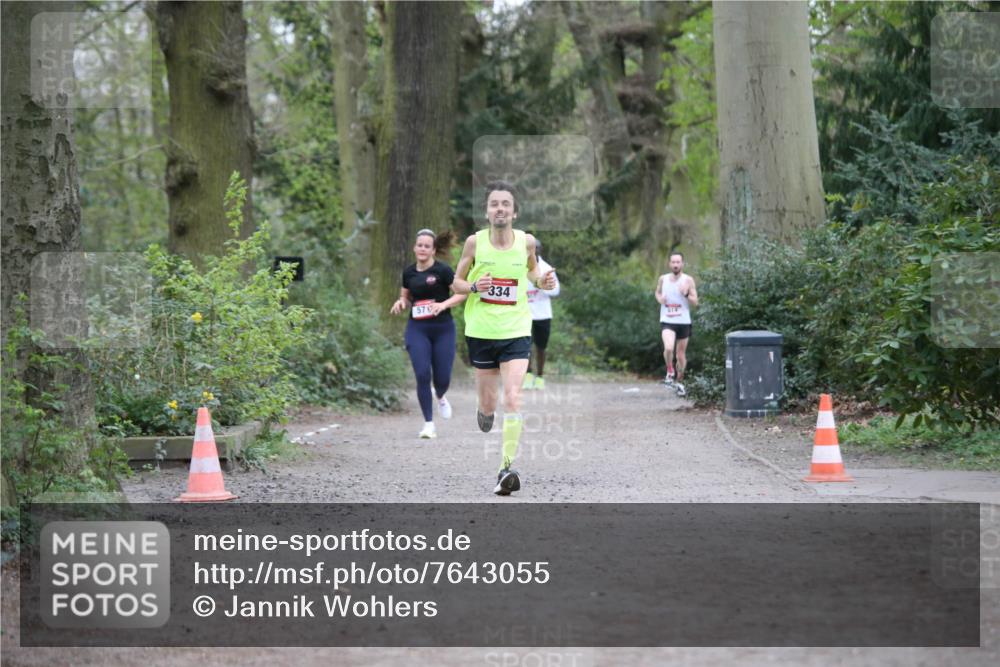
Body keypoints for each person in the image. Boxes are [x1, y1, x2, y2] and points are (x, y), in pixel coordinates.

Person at [453, 181, 557, 495]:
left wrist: (544, 279)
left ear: (514, 211)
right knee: (489, 406)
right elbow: (456, 282)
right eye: (495, 204)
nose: (500, 208)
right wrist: (473, 287)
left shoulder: (526, 242)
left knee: (513, 398)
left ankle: (505, 468)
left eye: (506, 204)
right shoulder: (474, 243)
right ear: (487, 211)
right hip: (481, 332)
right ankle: (485, 413)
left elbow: (533, 272)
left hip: (516, 331)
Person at [390, 229, 465, 439]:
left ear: (433, 250)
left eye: (426, 246)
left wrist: (443, 304)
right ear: (415, 248)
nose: (422, 249)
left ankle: (440, 395)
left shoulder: (443, 271)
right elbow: (405, 296)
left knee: (442, 378)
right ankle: (428, 424)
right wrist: (401, 302)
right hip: (417, 329)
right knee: (422, 374)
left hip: (443, 329)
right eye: (419, 245)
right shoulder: (409, 272)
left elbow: (461, 294)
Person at [655, 251, 698, 397]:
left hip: (684, 322)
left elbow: (695, 302)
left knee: (680, 355)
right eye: (673, 262)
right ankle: (669, 370)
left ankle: (680, 382)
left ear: (682, 264)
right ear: (669, 264)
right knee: (668, 348)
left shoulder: (688, 280)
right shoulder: (663, 279)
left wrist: (686, 294)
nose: (675, 265)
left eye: (678, 262)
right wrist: (660, 299)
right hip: (667, 320)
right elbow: (657, 293)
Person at [524, 238, 560, 390]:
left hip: (543, 314)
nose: (534, 250)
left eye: (536, 248)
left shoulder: (546, 268)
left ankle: (540, 377)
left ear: (540, 250)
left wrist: (542, 286)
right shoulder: (521, 266)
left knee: (541, 347)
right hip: (525, 314)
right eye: (531, 248)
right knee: (525, 346)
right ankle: (528, 375)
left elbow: (556, 290)